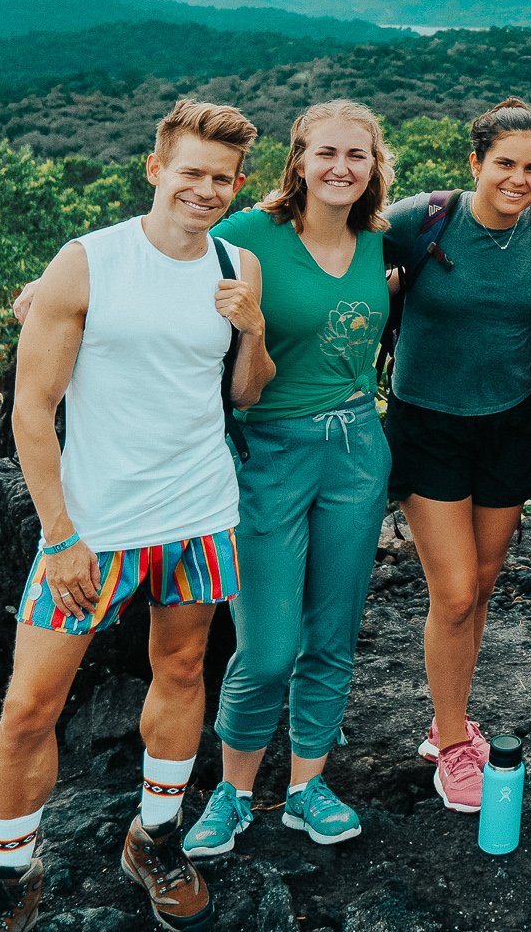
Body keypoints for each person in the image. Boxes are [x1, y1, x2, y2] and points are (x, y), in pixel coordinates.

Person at [0, 100, 272, 932]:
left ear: (237, 184)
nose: (206, 190)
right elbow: (33, 412)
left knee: (181, 675)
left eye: (222, 178)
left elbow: (246, 392)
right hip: (97, 528)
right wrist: (61, 534)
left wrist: (251, 330)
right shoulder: (87, 263)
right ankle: (10, 876)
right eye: (192, 174)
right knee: (31, 704)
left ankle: (156, 837)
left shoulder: (237, 262)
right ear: (155, 169)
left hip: (201, 515)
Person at [173, 101, 395, 856]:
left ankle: (306, 786)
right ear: (298, 159)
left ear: (374, 166)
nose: (341, 168)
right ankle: (232, 792)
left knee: (331, 636)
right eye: (325, 153)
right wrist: (55, 286)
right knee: (267, 647)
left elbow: (511, 214)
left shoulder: (382, 239)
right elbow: (157, 247)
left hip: (358, 449)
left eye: (356, 156)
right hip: (268, 452)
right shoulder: (247, 236)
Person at [378, 99, 531, 814]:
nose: (519, 178)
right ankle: (452, 739)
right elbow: (316, 247)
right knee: (457, 591)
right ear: (475, 164)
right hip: (428, 424)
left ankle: (453, 714)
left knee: (484, 585)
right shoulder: (421, 219)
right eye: (505, 163)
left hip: (509, 423)